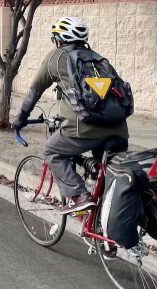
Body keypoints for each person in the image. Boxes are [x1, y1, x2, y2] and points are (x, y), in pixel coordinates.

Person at [12, 16, 129, 215]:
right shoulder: (97, 58)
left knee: (53, 151)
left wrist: (21, 118)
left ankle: (78, 196)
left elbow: (35, 91)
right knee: (108, 176)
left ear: (59, 39)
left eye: (54, 38)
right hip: (118, 129)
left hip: (82, 130)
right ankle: (106, 227)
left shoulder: (56, 57)